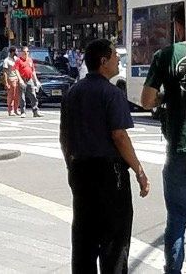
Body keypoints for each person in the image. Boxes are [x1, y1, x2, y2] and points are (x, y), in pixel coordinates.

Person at [60, 39, 150, 274]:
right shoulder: (111, 94)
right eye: (114, 56)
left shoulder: (72, 93)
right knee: (114, 239)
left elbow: (64, 137)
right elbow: (119, 136)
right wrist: (139, 170)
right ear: (103, 62)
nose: (118, 60)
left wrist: (71, 165)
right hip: (109, 173)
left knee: (84, 238)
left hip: (80, 168)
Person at [141, 3, 186, 274]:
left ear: (179, 25)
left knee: (177, 218)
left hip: (181, 148)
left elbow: (147, 101)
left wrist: (165, 96)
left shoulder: (166, 55)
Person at [16, 46, 42, 118]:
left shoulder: (30, 60)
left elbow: (33, 71)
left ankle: (35, 111)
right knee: (22, 97)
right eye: (24, 52)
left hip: (29, 79)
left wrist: (36, 81)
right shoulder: (18, 60)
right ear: (21, 53)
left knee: (33, 96)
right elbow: (16, 70)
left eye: (27, 52)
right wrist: (20, 80)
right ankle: (23, 112)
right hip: (22, 80)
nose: (26, 53)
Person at [2, 46, 21, 116]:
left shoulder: (17, 59)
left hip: (17, 79)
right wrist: (6, 82)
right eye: (16, 51)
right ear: (12, 52)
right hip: (11, 78)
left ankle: (16, 109)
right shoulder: (6, 60)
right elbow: (5, 72)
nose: (17, 53)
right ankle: (11, 110)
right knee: (11, 95)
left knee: (17, 95)